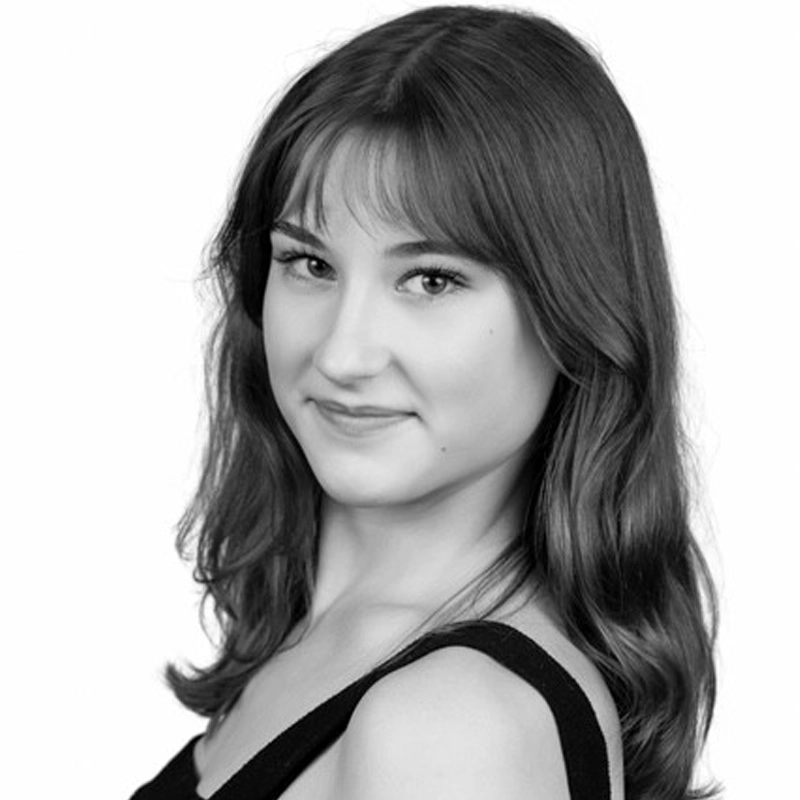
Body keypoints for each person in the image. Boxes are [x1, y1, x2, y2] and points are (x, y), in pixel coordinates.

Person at [131, 5, 717, 800]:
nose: (342, 353)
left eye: (431, 280)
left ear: (575, 316)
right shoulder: (323, 642)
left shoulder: (454, 725)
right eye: (308, 262)